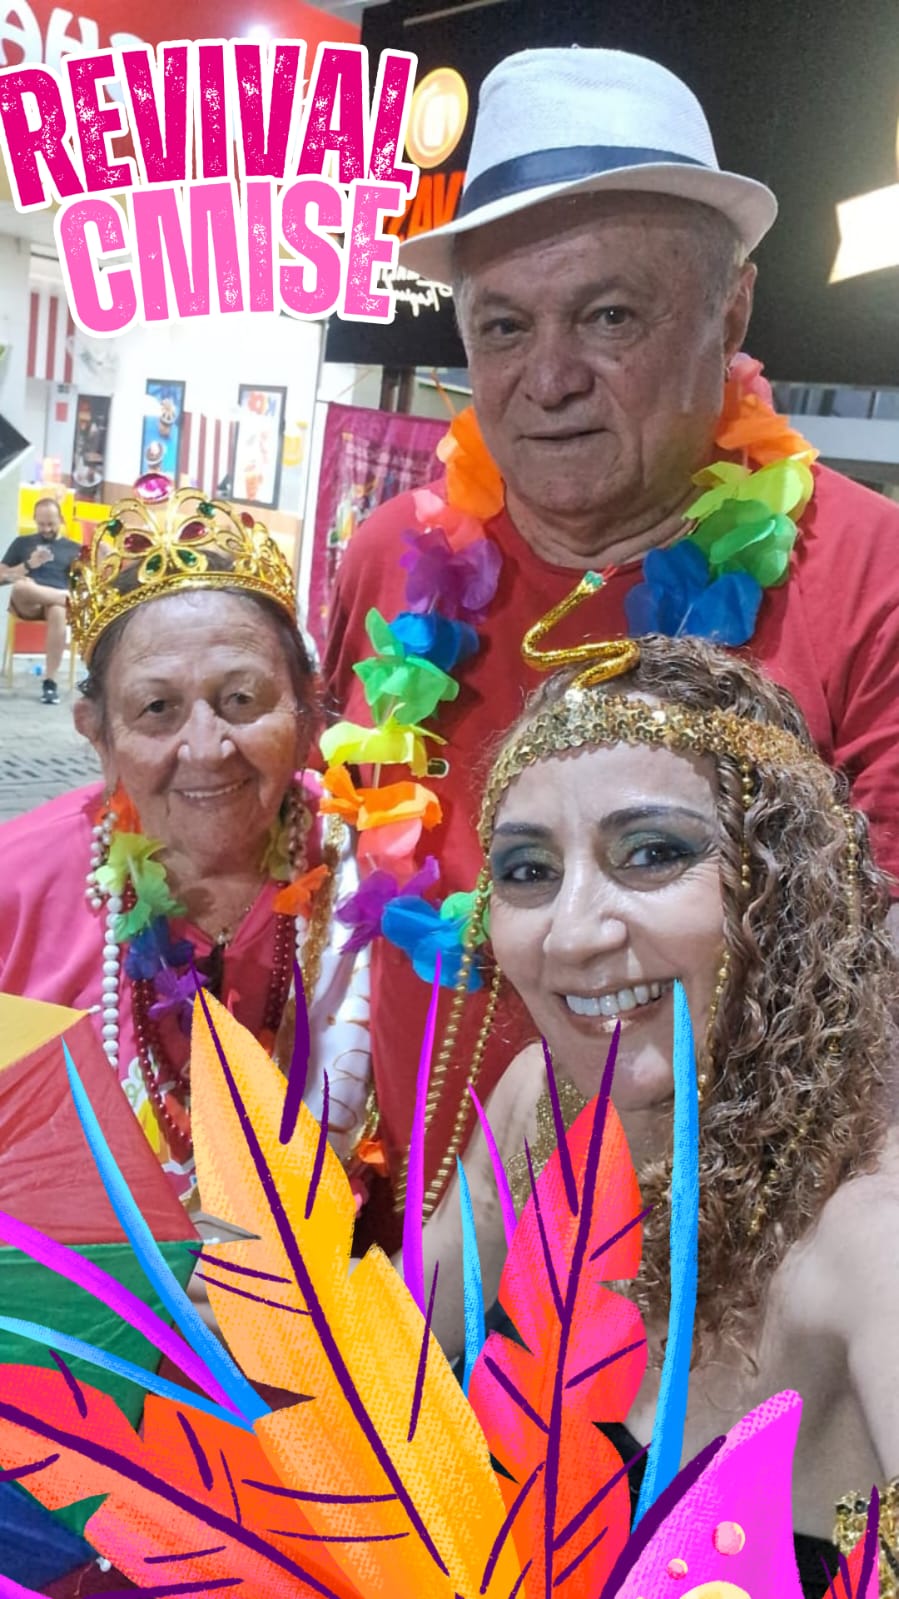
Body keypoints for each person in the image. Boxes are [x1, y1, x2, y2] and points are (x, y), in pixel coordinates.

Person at [322, 45, 899, 1248]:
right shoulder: (389, 559)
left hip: (717, 1280)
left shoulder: (868, 575)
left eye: (608, 316)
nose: (547, 379)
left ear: (729, 312)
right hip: (413, 1256)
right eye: (501, 325)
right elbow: (350, 884)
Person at [416, 632, 899, 1599]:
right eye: (526, 870)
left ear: (780, 885)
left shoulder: (866, 1228)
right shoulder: (536, 1105)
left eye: (651, 854)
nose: (572, 932)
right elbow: (370, 1384)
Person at [0, 484, 372, 1200]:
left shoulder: (376, 871)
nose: (206, 747)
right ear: (97, 733)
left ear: (307, 707)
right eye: (157, 707)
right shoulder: (13, 889)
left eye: (242, 699)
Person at [0, 496, 82, 703]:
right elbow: (1, 577)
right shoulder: (22, 543)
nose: (46, 529)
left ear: (61, 520)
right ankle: (63, 599)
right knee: (21, 586)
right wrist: (28, 565)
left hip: (55, 606)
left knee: (58, 611)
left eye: (51, 524)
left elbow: (84, 582)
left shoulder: (74, 549)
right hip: (28, 601)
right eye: (41, 524)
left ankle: (50, 681)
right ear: (35, 520)